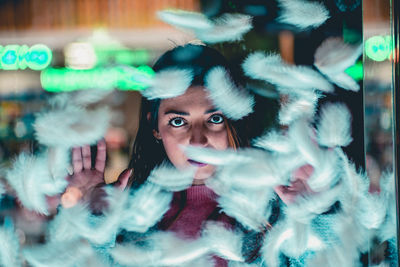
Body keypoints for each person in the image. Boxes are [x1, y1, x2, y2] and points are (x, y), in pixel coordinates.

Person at [63, 44, 314, 266]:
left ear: (234, 120)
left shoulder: (277, 204)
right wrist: (95, 224)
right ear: (155, 127)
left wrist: (315, 214)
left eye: (214, 119)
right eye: (178, 122)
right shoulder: (125, 214)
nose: (197, 140)